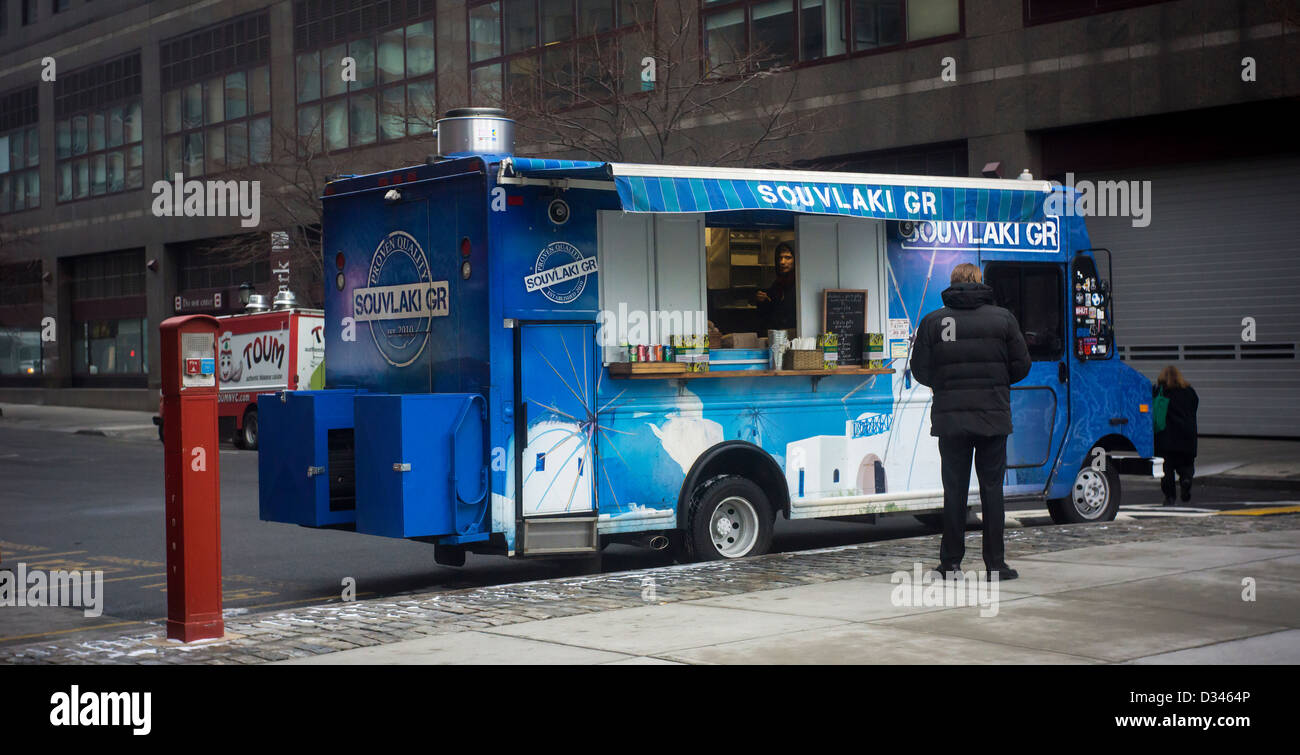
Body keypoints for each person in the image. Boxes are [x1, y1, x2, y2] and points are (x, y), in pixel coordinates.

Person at [911, 263, 1031, 581]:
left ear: (952, 284)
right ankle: (995, 565)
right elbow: (1022, 365)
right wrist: (998, 382)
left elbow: (919, 369)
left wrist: (944, 384)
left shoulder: (933, 321)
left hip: (951, 419)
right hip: (993, 417)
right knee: (992, 490)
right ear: (980, 281)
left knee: (955, 491)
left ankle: (951, 564)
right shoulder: (1003, 319)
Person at [1152, 365, 1199, 506]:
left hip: (1165, 438)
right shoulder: (1189, 392)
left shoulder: (1160, 392)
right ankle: (1186, 480)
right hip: (1187, 436)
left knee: (1167, 470)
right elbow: (1194, 407)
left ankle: (1170, 497)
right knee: (1186, 464)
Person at [755, 242, 796, 334]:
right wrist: (763, 301)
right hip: (778, 335)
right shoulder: (778, 284)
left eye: (788, 258)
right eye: (780, 258)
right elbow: (769, 313)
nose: (782, 262)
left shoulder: (800, 284)